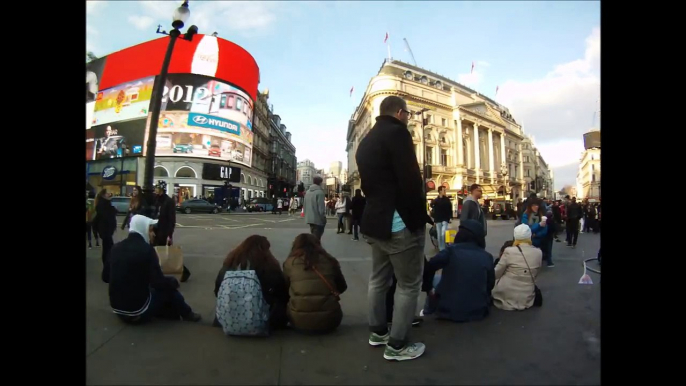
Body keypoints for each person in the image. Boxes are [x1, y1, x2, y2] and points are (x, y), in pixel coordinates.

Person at [355, 95, 427, 361]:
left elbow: (368, 186)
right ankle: (397, 345)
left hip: (375, 222)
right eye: (407, 114)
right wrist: (418, 216)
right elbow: (410, 180)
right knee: (408, 285)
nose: (408, 118)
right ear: (399, 113)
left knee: (378, 280)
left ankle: (377, 331)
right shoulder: (398, 134)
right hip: (400, 223)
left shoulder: (365, 142)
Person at [106, 215, 201, 324]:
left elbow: (105, 276)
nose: (153, 234)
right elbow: (158, 282)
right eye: (151, 230)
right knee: (169, 290)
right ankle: (188, 314)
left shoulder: (116, 247)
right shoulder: (147, 250)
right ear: (143, 229)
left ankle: (173, 313)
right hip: (138, 310)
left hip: (117, 308)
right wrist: (172, 282)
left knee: (154, 290)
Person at [422, 219, 495, 322]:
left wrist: (429, 288)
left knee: (436, 279)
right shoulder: (487, 256)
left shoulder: (450, 252)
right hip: (477, 311)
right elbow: (490, 284)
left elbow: (430, 266)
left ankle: (427, 312)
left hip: (447, 310)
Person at [213, 235, 288, 332]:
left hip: (228, 320)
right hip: (261, 321)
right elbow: (283, 294)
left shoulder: (229, 264)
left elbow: (217, 291)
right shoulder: (270, 268)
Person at [283, 233, 348, 333]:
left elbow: (284, 289)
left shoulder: (290, 263)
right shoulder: (329, 261)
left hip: (298, 321)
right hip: (330, 321)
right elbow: (342, 287)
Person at [492, 224, 543, 311]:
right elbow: (536, 274)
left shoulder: (509, 251)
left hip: (507, 293)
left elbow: (496, 273)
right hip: (527, 295)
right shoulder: (538, 252)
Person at [94, 188, 117, 283]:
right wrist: (113, 210)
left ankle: (107, 269)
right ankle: (107, 271)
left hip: (105, 231)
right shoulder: (104, 204)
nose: (110, 194)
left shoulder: (103, 204)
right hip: (106, 231)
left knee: (107, 249)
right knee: (108, 250)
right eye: (108, 193)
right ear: (104, 195)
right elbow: (106, 217)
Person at [304, 176, 327, 240]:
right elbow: (321, 208)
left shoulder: (308, 192)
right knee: (316, 239)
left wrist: (306, 216)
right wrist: (323, 219)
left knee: (314, 237)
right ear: (320, 183)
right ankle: (313, 249)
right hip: (318, 219)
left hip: (310, 219)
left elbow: (304, 205)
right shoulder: (320, 192)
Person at [431, 186, 453, 251]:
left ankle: (443, 247)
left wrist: (450, 217)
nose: (445, 192)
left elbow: (450, 209)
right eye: (444, 190)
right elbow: (432, 206)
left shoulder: (447, 200)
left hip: (445, 219)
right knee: (439, 234)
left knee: (443, 233)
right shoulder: (436, 200)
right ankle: (441, 248)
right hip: (438, 219)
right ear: (440, 191)